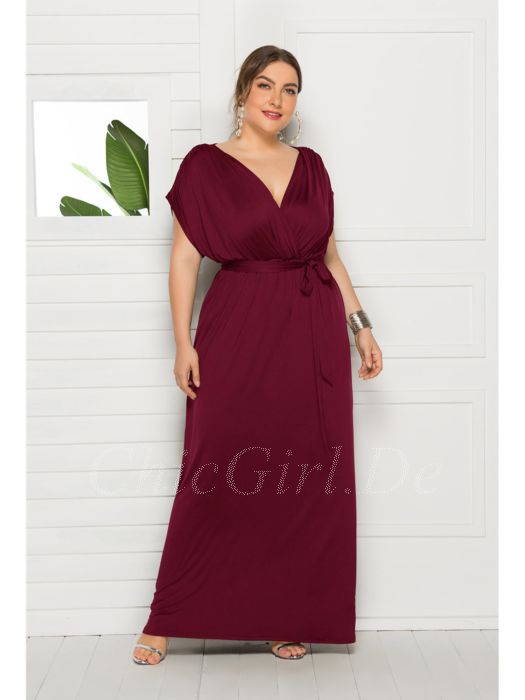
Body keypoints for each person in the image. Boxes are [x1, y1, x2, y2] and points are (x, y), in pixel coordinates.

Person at [132, 45, 383, 666]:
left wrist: (360, 326)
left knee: (302, 477)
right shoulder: (205, 165)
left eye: (290, 89)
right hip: (237, 329)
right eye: (266, 85)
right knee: (215, 469)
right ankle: (168, 617)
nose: (277, 99)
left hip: (311, 332)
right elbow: (184, 259)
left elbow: (328, 255)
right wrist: (183, 341)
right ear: (243, 91)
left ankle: (284, 614)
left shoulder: (311, 166)